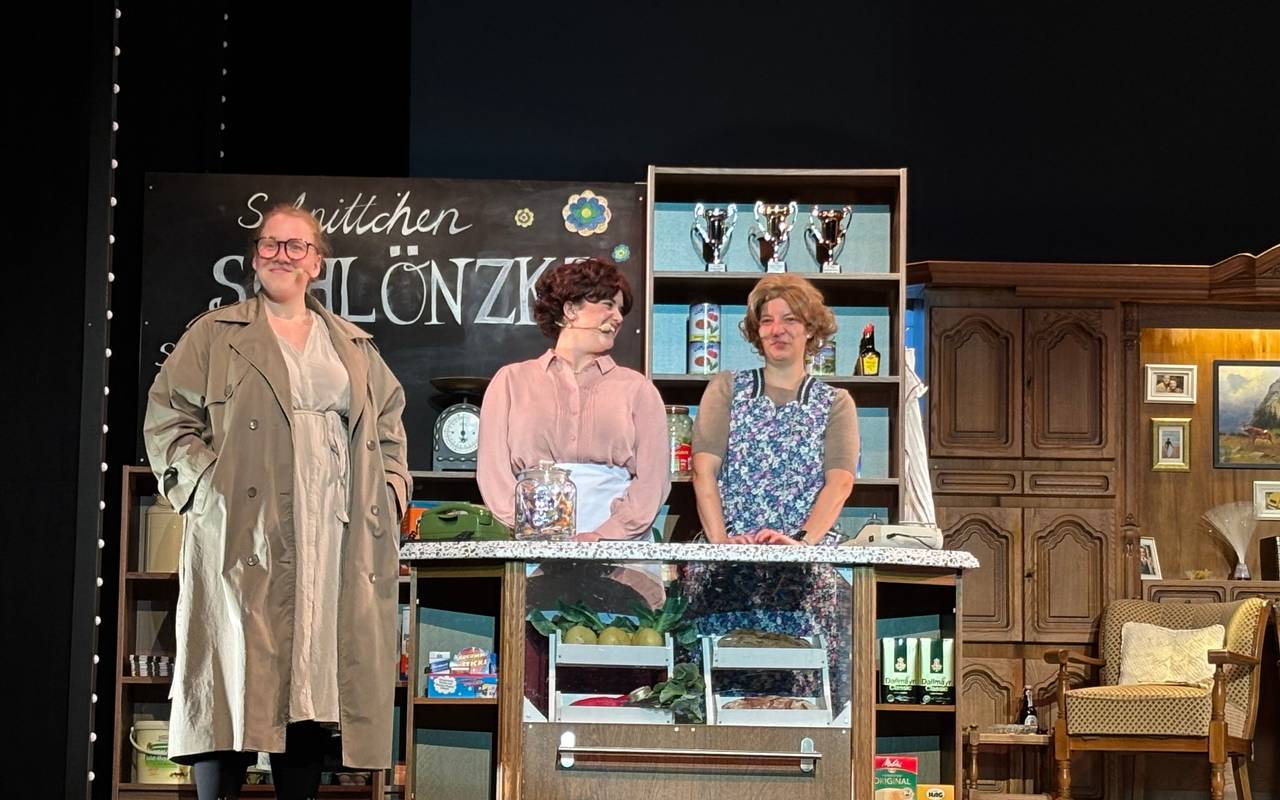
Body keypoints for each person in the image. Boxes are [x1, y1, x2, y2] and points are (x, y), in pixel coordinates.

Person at [144, 203, 411, 799]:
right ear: (255, 256)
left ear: (317, 262)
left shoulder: (352, 345)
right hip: (245, 528)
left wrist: (390, 491)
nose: (281, 256)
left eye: (296, 246)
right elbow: (167, 419)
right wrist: (206, 489)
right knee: (232, 669)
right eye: (270, 244)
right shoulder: (217, 333)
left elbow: (389, 425)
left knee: (311, 676)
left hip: (332, 533)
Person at [682, 273, 860, 709]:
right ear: (756, 331)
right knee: (714, 673)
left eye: (790, 319)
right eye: (767, 321)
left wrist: (801, 544)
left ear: (811, 329)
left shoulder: (835, 402)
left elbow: (840, 481)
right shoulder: (727, 388)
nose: (777, 330)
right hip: (731, 556)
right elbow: (704, 471)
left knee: (807, 674)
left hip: (802, 562)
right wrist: (721, 544)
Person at [477, 257, 669, 542]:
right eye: (608, 304)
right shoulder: (510, 381)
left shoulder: (638, 389)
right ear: (570, 310)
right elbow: (494, 474)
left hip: (618, 545)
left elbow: (653, 482)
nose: (618, 317)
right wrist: (532, 528)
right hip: (530, 541)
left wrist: (606, 535)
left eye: (620, 309)